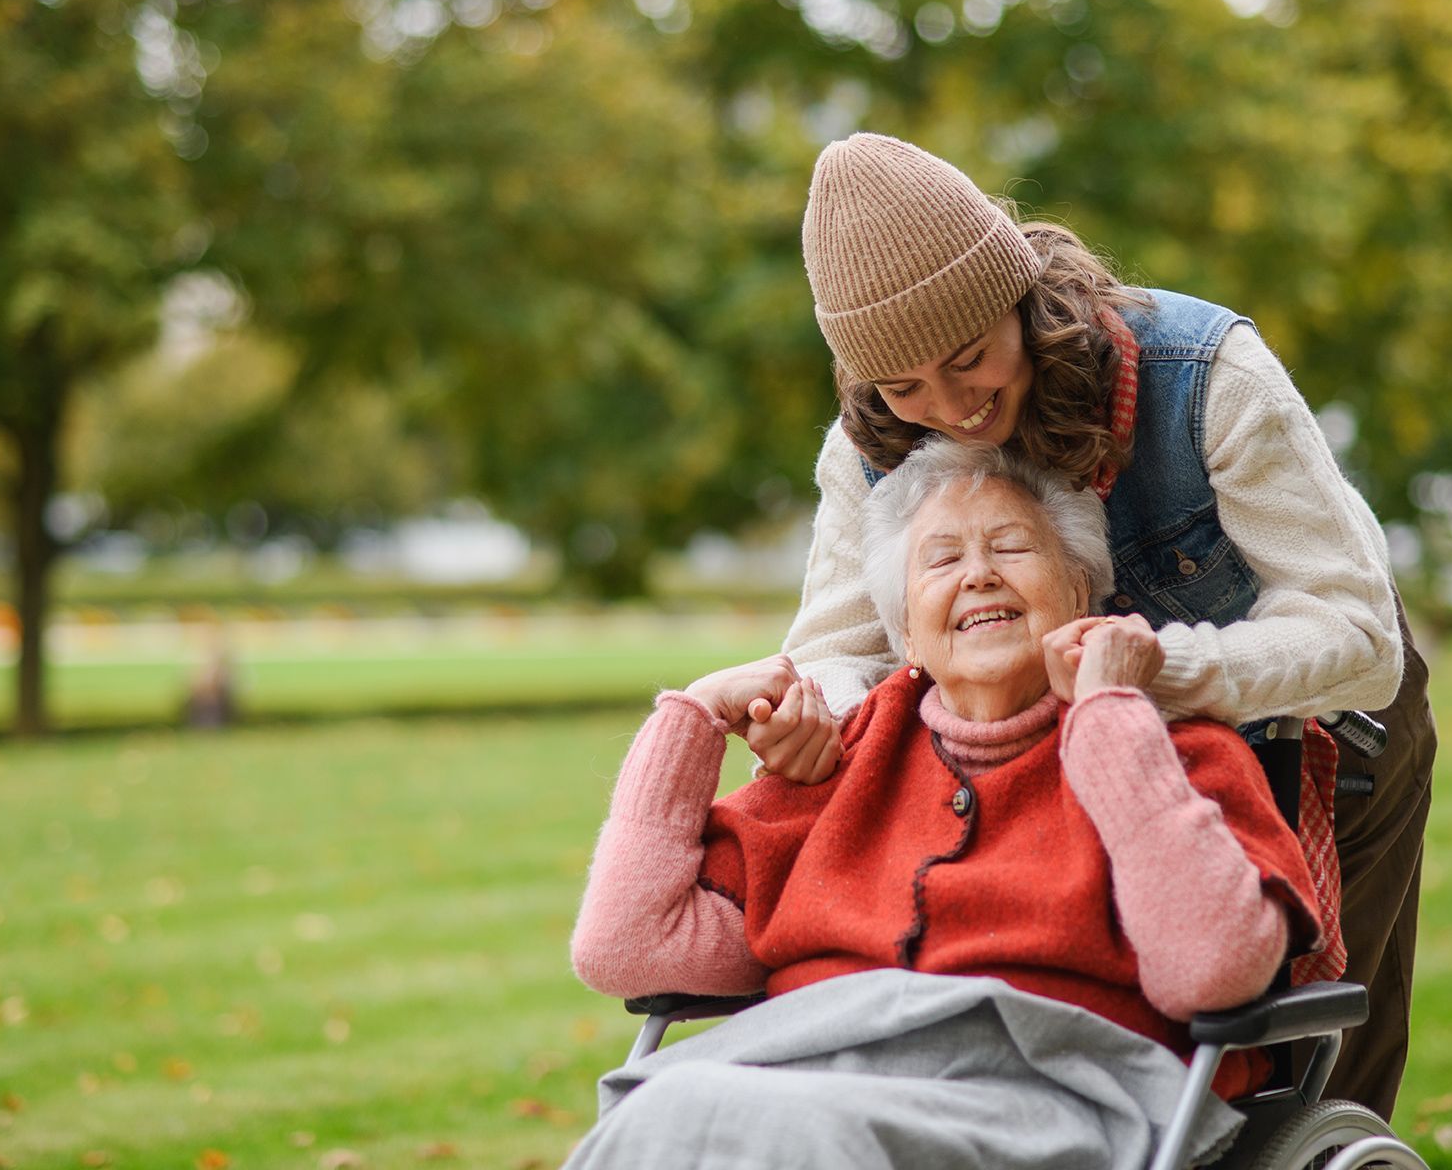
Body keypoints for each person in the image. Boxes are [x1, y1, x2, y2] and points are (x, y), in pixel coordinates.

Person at [742, 134, 1434, 1119]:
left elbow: (1358, 637)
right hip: (1055, 782)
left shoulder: (1209, 376)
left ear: (1015, 296)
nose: (947, 407)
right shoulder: (872, 444)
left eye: (967, 357)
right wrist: (816, 711)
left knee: (1304, 1070)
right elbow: (837, 648)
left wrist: (1154, 674)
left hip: (1316, 737)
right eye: (903, 386)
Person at [567, 441, 1323, 1167]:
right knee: (666, 1114)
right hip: (804, 1075)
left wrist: (1111, 719)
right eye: (942, 558)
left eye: (1012, 547)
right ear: (907, 636)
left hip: (1046, 1096)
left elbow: (1213, 971)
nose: (979, 575)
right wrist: (692, 718)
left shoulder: (1173, 749)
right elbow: (627, 947)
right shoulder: (843, 757)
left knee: (763, 1129)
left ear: (1079, 593)